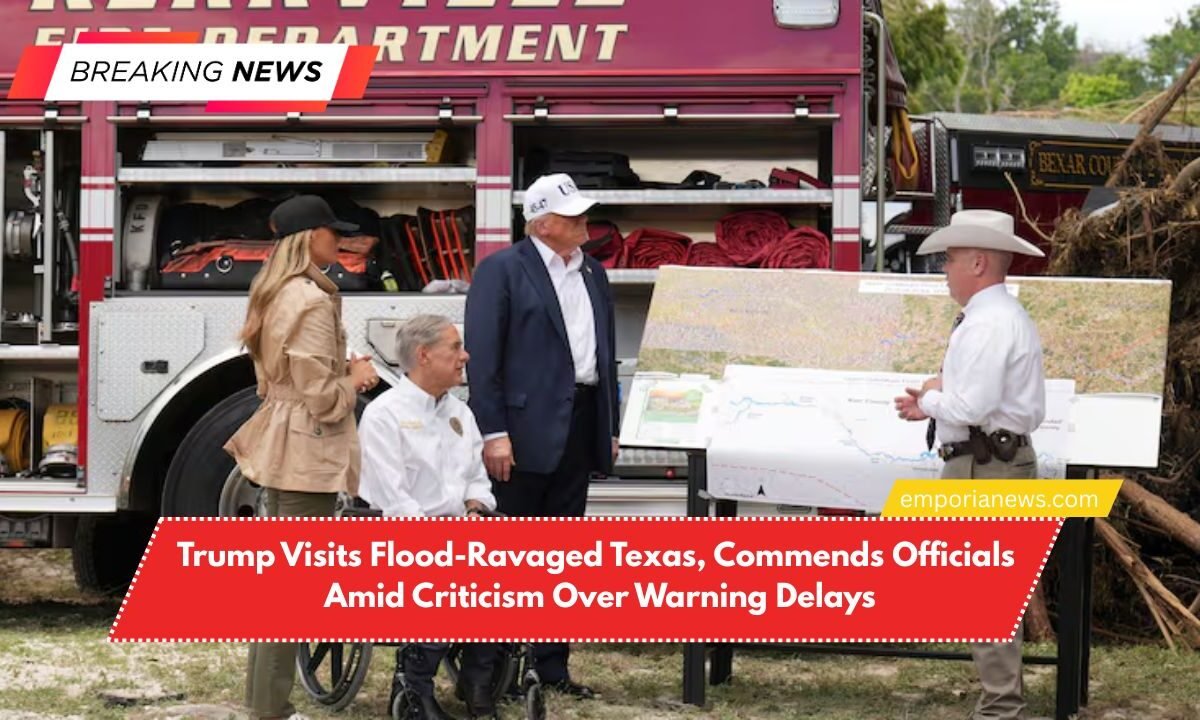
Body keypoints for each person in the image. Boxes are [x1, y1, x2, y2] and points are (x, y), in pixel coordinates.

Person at [463, 173, 619, 699]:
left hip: (580, 420)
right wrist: (493, 432)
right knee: (509, 554)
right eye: (573, 216)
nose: (584, 222)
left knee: (561, 554)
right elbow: (483, 358)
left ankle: (551, 668)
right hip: (521, 431)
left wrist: (608, 426)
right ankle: (497, 672)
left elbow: (603, 353)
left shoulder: (592, 271)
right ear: (543, 222)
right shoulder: (502, 271)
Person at [225, 194, 380, 720]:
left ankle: (263, 703)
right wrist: (356, 378)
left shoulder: (277, 292)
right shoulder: (311, 300)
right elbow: (323, 399)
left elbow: (282, 380)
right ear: (311, 237)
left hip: (283, 444)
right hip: (305, 452)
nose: (342, 241)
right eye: (334, 232)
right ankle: (270, 709)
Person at [894, 209, 1047, 720]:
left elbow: (970, 406)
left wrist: (932, 400)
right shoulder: (996, 317)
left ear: (978, 263)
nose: (945, 270)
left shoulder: (988, 323)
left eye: (951, 259)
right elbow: (976, 399)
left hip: (988, 466)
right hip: (987, 461)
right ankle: (1001, 700)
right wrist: (937, 398)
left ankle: (1001, 707)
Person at [357, 314, 499, 720]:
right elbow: (393, 499)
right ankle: (413, 688)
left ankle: (478, 681)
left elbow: (476, 480)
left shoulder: (460, 414)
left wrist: (475, 509)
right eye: (455, 347)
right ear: (424, 355)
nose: (465, 356)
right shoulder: (384, 414)